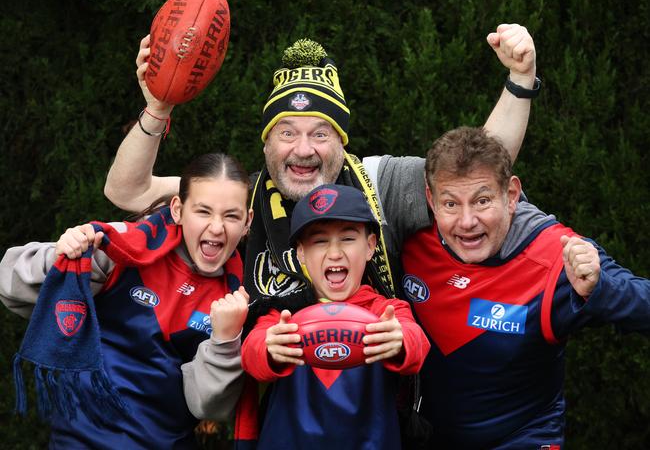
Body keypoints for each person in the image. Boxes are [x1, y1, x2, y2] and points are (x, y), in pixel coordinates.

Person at [103, 24, 539, 314]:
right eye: (287, 133)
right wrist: (158, 107)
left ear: (342, 141)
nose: (304, 150)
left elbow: (481, 167)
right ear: (267, 143)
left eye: (321, 133)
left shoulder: (379, 182)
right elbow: (128, 192)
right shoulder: (239, 200)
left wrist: (520, 80)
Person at [400, 127, 650, 449]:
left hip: (523, 438)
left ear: (512, 195)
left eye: (482, 200)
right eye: (451, 204)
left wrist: (602, 288)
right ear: (431, 201)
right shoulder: (413, 241)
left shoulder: (558, 255)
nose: (466, 221)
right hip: (430, 436)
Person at [0, 152, 253, 449]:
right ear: (177, 210)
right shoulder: (123, 246)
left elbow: (208, 408)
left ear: (247, 222)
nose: (216, 227)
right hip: (78, 441)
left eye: (231, 216)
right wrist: (64, 257)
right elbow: (10, 286)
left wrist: (225, 341)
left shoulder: (238, 299)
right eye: (203, 211)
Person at [241, 184, 430, 449]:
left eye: (348, 238)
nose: (334, 253)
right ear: (301, 253)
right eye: (319, 241)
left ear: (370, 246)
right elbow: (252, 353)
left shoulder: (386, 312)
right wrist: (269, 347)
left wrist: (400, 341)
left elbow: (417, 343)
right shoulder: (283, 314)